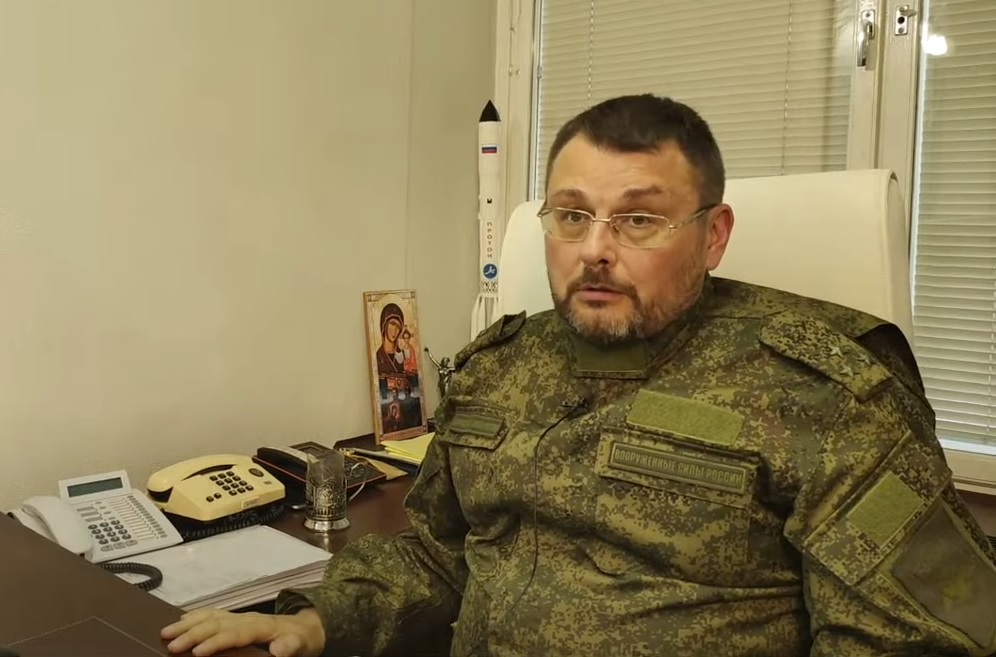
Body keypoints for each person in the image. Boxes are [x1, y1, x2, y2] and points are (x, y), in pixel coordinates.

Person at [162, 94, 996, 657]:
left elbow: (914, 636)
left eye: (639, 218)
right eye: (571, 215)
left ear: (712, 235)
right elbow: (442, 557)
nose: (595, 247)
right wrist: (323, 618)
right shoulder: (498, 370)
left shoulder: (828, 393)